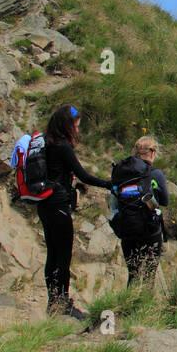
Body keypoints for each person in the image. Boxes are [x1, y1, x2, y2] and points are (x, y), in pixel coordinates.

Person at [37, 105, 110, 319]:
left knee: (52, 253)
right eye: (76, 124)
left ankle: (53, 302)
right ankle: (64, 304)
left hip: (45, 204)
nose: (78, 129)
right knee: (63, 256)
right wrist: (109, 184)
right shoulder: (63, 147)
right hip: (59, 205)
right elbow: (84, 175)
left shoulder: (46, 142)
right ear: (67, 125)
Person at [109, 135, 170, 288]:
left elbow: (113, 202)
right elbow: (165, 201)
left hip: (127, 228)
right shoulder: (155, 174)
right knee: (149, 276)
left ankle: (129, 308)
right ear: (153, 153)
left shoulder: (121, 173)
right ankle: (144, 309)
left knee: (133, 275)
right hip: (150, 230)